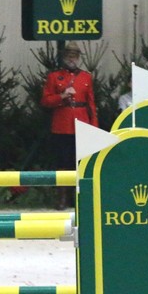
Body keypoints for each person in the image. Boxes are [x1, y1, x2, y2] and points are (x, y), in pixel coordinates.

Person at [40, 42, 97, 210]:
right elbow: (46, 100)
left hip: (82, 123)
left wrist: (93, 126)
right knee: (63, 162)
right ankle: (62, 198)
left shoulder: (86, 77)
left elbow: (91, 104)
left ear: (78, 58)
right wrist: (62, 96)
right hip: (62, 124)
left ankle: (78, 197)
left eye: (75, 56)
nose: (72, 59)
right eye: (69, 56)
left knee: (80, 162)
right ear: (64, 57)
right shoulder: (54, 77)